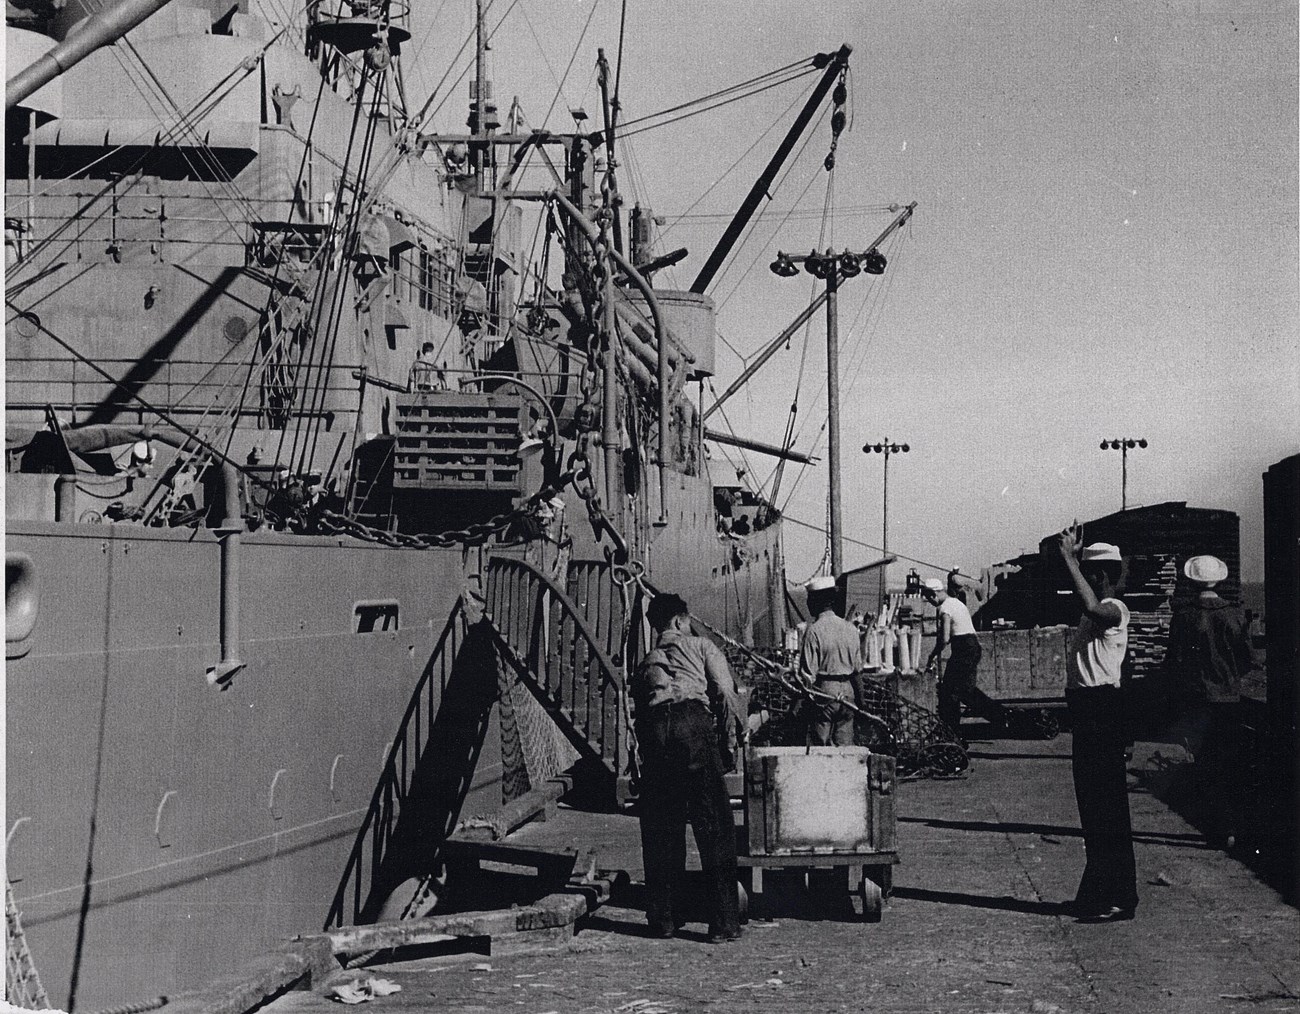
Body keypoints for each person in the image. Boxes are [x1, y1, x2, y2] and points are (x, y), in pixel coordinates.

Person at [630, 593, 743, 943]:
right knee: (714, 824)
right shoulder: (701, 646)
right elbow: (724, 691)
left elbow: (637, 707)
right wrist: (729, 740)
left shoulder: (648, 660)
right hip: (692, 726)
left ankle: (663, 919)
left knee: (662, 825)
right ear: (681, 620)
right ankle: (723, 923)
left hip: (655, 733)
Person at [1056, 526, 1138, 922]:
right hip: (1089, 713)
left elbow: (1093, 606)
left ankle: (1118, 896)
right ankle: (1099, 892)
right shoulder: (1098, 610)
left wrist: (1070, 559)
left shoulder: (1114, 610)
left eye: (1088, 577)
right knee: (1094, 808)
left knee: (1105, 808)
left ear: (1098, 577)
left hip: (1102, 712)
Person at [1163, 554, 1252, 848]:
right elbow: (1247, 660)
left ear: (1190, 582)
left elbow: (1172, 663)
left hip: (1197, 701)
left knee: (1204, 765)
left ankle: (1213, 829)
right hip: (1229, 699)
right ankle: (1231, 828)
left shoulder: (1184, 616)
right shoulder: (1235, 614)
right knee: (1230, 763)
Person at [922, 578, 1008, 740]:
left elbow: (945, 638)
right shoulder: (956, 603)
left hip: (963, 649)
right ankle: (1000, 715)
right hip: (971, 646)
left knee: (950, 693)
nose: (929, 601)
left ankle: (952, 732)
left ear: (933, 594)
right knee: (965, 691)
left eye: (928, 597)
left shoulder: (945, 609)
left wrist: (932, 655)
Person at [799, 575, 863, 746]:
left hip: (825, 692)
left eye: (809, 600)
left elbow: (806, 676)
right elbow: (857, 672)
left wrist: (798, 706)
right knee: (845, 747)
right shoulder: (850, 629)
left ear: (815, 602)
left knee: (820, 746)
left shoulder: (814, 631)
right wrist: (861, 703)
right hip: (848, 692)